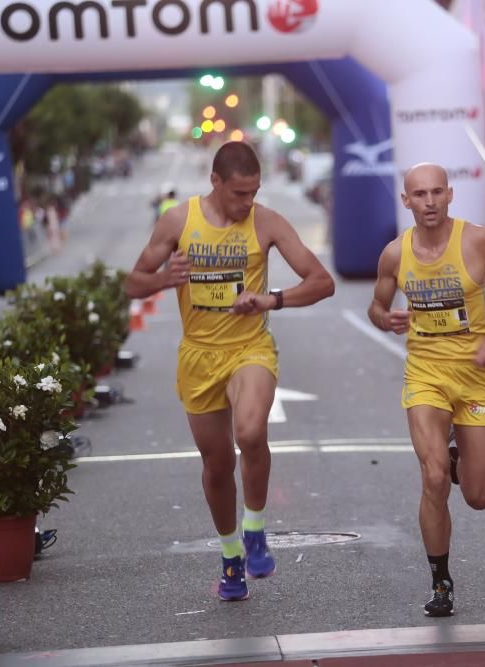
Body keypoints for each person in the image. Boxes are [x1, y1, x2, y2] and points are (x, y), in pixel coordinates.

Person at [124, 141, 335, 601]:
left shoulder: (266, 222)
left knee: (252, 431)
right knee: (217, 465)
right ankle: (230, 557)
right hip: (198, 355)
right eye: (239, 193)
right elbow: (132, 283)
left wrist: (271, 299)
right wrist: (164, 279)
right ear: (215, 183)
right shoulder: (179, 221)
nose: (247, 202)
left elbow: (322, 281)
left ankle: (255, 527)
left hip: (249, 348)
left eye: (254, 192)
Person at [368, 163, 485, 617]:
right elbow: (377, 306)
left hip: (475, 376)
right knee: (433, 477)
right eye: (420, 194)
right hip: (425, 375)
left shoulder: (477, 241)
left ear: (451, 195)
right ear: (406, 202)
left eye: (437, 192)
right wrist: (387, 319)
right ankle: (440, 581)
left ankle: (459, 456)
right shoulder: (395, 254)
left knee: (478, 496)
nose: (430, 201)